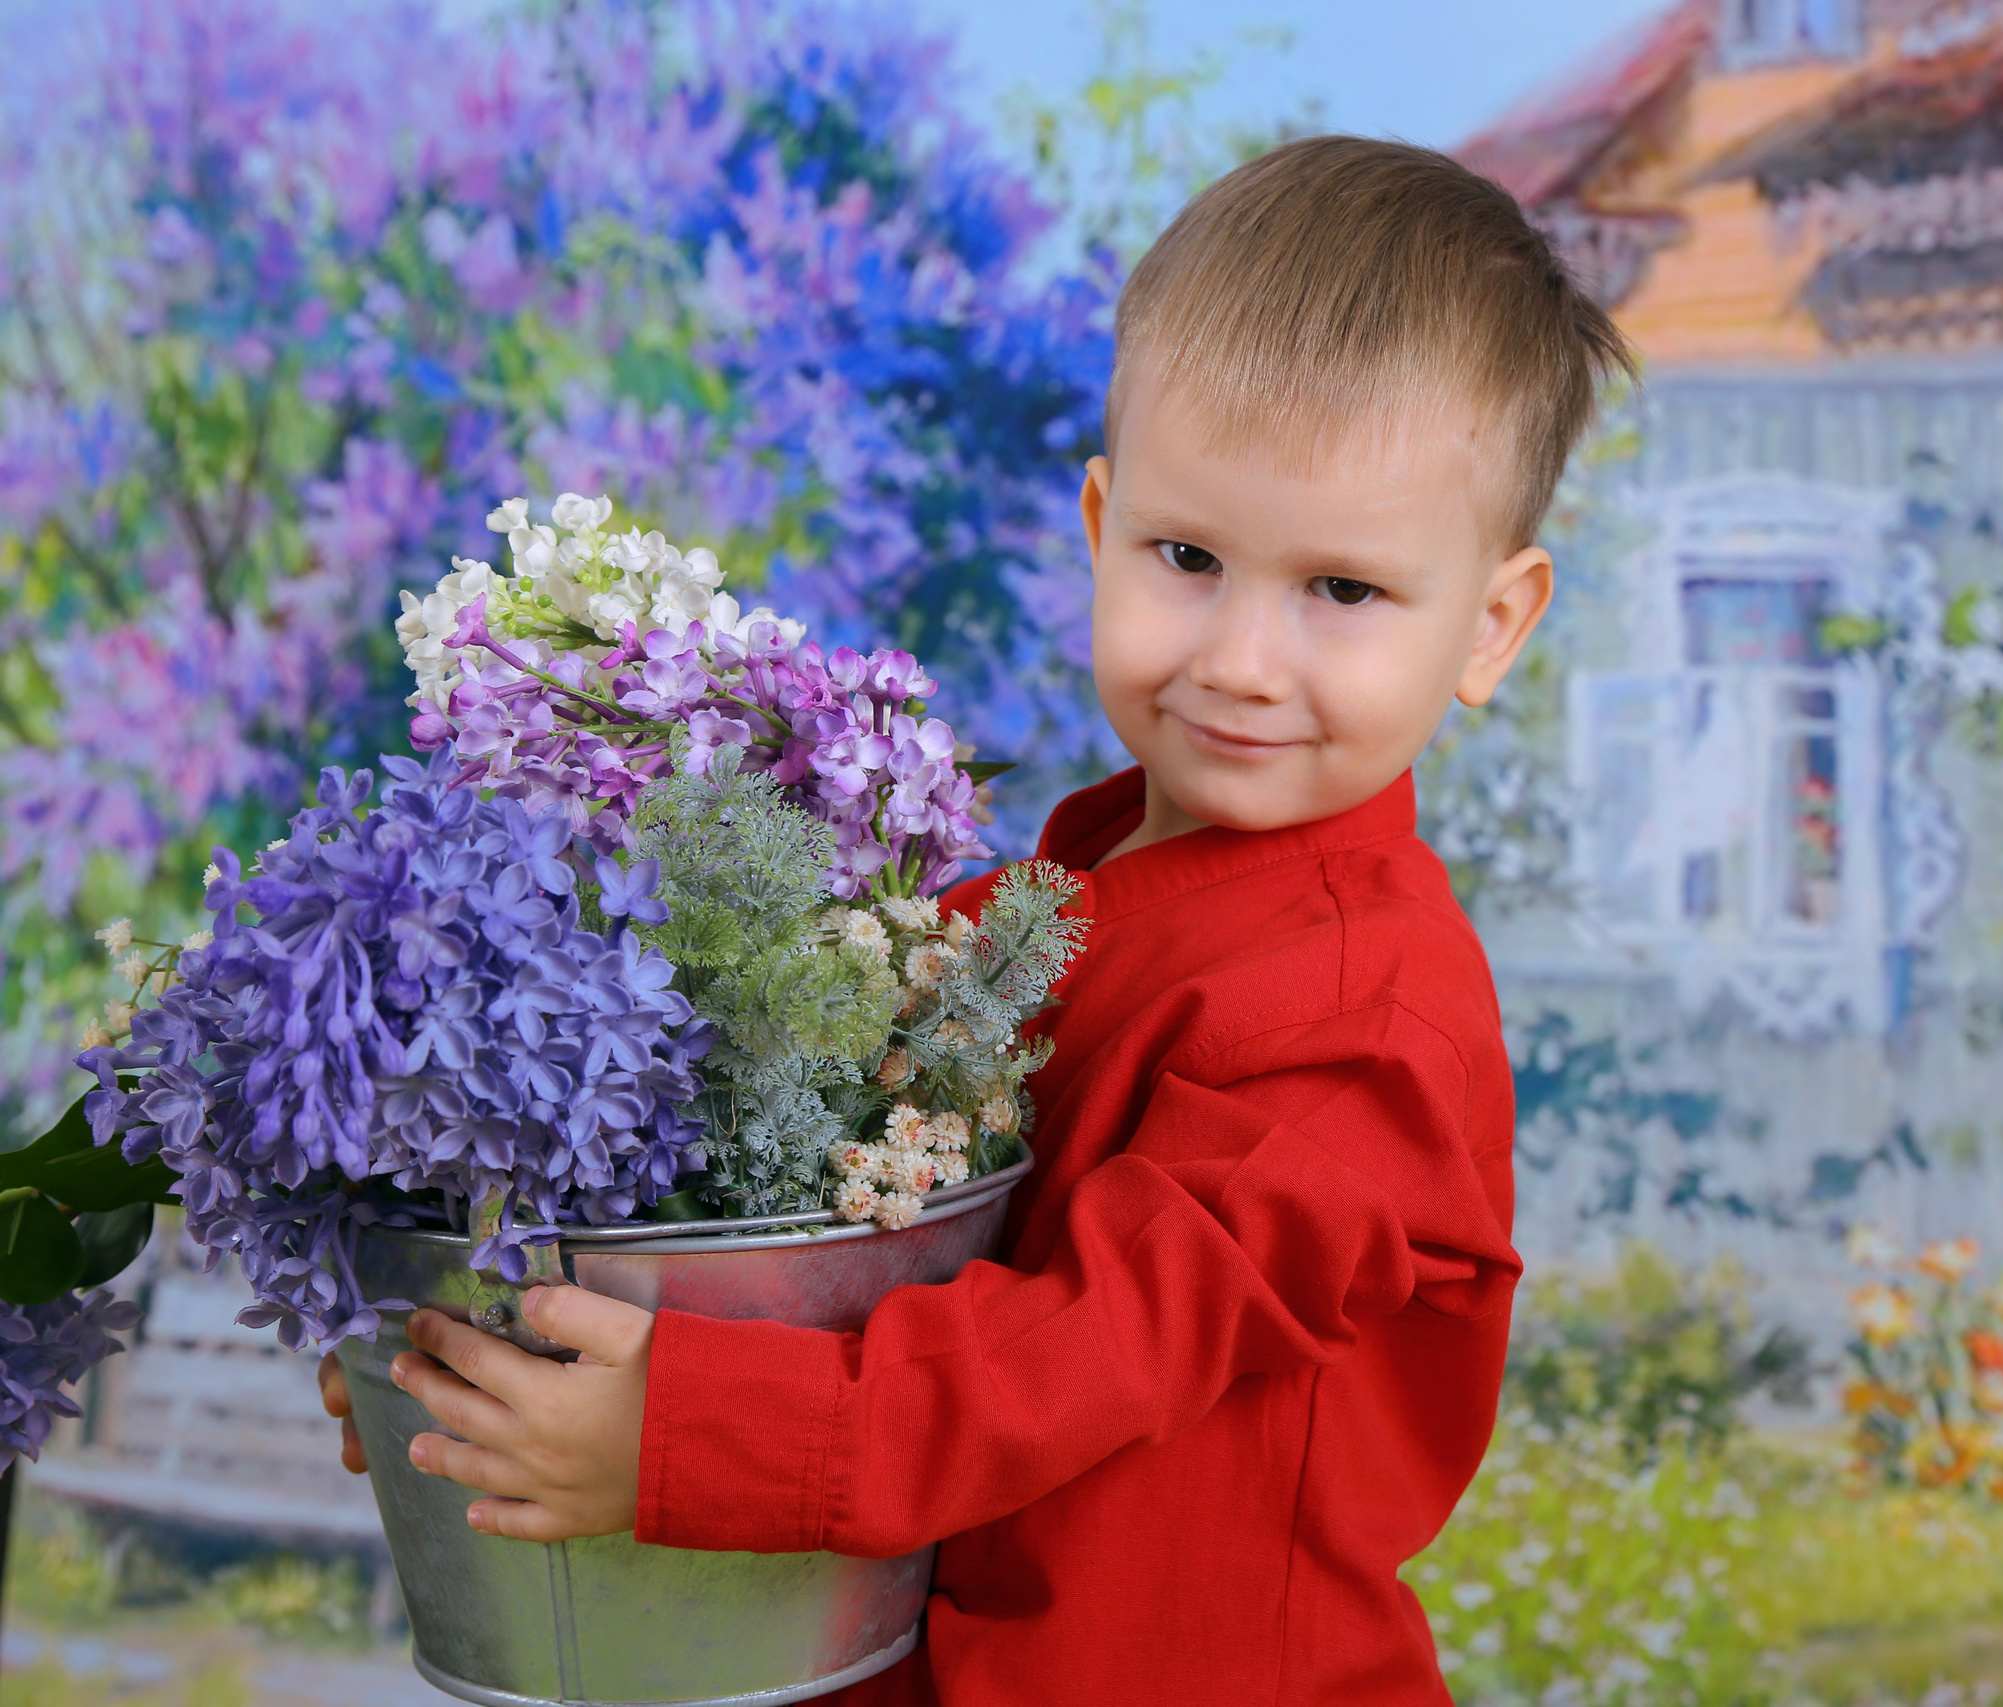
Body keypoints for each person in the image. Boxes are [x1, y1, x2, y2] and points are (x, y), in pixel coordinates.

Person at [320, 134, 1637, 1704]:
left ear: (1493, 625)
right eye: (1188, 556)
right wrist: (499, 1382)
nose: (1240, 656)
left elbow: (1072, 1356)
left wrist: (676, 1432)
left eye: (1342, 591)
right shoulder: (1005, 917)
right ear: (1100, 526)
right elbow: (795, 1252)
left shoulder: (1363, 1021)